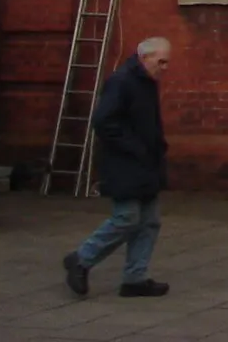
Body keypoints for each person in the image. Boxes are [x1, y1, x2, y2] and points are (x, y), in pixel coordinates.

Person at [62, 36, 171, 299]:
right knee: (127, 218)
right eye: (161, 61)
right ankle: (82, 258)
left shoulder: (145, 82)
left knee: (149, 221)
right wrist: (135, 148)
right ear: (145, 58)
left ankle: (135, 277)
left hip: (145, 163)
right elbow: (104, 121)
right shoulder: (122, 81)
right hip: (125, 163)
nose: (165, 68)